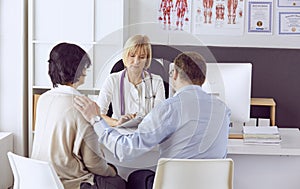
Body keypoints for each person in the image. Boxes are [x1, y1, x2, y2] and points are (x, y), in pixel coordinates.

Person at [74, 51, 231, 189]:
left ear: (175, 74)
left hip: (174, 185)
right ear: (203, 79)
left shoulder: (170, 108)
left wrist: (95, 119)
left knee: (136, 177)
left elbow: (125, 150)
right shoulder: (223, 109)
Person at [31, 42, 126, 189]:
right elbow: (93, 163)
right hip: (69, 183)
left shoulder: (43, 99)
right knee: (119, 182)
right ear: (79, 69)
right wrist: (112, 170)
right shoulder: (84, 106)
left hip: (40, 179)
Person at [97, 34, 165, 127]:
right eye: (132, 55)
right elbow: (98, 115)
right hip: (119, 134)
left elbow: (159, 116)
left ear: (147, 59)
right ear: (125, 55)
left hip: (147, 134)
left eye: (142, 57)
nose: (136, 61)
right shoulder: (112, 80)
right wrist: (117, 123)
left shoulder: (157, 81)